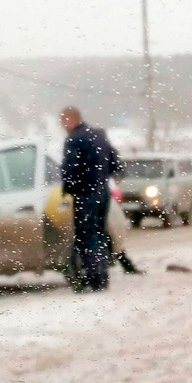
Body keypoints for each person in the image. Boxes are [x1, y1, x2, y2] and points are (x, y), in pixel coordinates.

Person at [59, 106, 121, 291]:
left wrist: (69, 189)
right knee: (100, 233)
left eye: (63, 121)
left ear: (70, 120)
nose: (62, 125)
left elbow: (70, 169)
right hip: (103, 192)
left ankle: (94, 279)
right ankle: (102, 275)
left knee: (87, 236)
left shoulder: (74, 139)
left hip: (85, 193)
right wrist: (103, 177)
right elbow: (114, 161)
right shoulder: (98, 135)